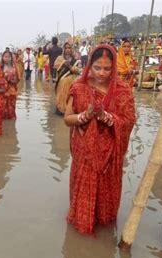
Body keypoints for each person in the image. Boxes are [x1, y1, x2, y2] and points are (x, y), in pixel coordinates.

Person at [63, 45, 136, 234]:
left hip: (110, 151)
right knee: (85, 184)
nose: (102, 73)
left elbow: (128, 121)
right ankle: (83, 225)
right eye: (97, 68)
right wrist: (85, 116)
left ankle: (104, 222)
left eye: (107, 69)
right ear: (89, 65)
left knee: (106, 186)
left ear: (114, 68)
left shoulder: (123, 90)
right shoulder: (79, 87)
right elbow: (67, 119)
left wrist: (107, 118)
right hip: (84, 151)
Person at [54, 42, 81, 115]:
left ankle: (69, 111)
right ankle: (61, 110)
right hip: (62, 81)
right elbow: (56, 66)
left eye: (69, 48)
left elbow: (79, 71)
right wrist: (63, 63)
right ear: (64, 49)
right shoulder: (60, 58)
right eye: (66, 48)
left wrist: (70, 66)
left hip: (72, 81)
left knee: (70, 96)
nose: (67, 49)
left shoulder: (75, 60)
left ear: (71, 49)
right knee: (61, 96)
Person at [1, 50, 20, 119]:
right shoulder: (0, 67)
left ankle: (11, 123)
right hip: (3, 90)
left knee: (12, 106)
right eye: (5, 56)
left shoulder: (14, 68)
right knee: (3, 107)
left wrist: (12, 81)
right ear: (2, 57)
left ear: (11, 58)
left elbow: (17, 78)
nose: (7, 58)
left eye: (9, 57)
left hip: (12, 90)